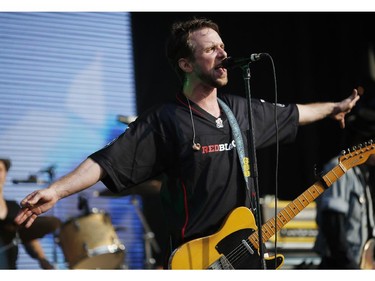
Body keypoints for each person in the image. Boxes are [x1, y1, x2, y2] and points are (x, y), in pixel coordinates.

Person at [15, 17, 362, 269]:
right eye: (211, 49)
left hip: (248, 255)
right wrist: (57, 191)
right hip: (197, 259)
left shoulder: (240, 110)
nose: (223, 53)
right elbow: (106, 161)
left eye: (223, 45)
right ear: (186, 64)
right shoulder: (165, 120)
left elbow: (293, 113)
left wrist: (335, 107)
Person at [314, 99, 375, 269]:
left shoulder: (363, 174)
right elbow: (332, 225)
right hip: (337, 267)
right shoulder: (339, 169)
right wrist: (350, 268)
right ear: (366, 143)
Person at [0, 158, 56, 269]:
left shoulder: (14, 207)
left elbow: (27, 236)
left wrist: (42, 259)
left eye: (0, 170)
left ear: (5, 174)